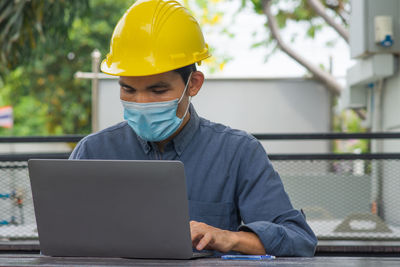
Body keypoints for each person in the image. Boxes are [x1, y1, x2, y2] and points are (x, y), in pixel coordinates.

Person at [70, 0, 317, 256]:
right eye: (128, 89)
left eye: (158, 90)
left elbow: (298, 240)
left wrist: (228, 238)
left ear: (194, 84)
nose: (141, 103)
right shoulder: (92, 151)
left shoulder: (237, 152)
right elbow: (61, 238)